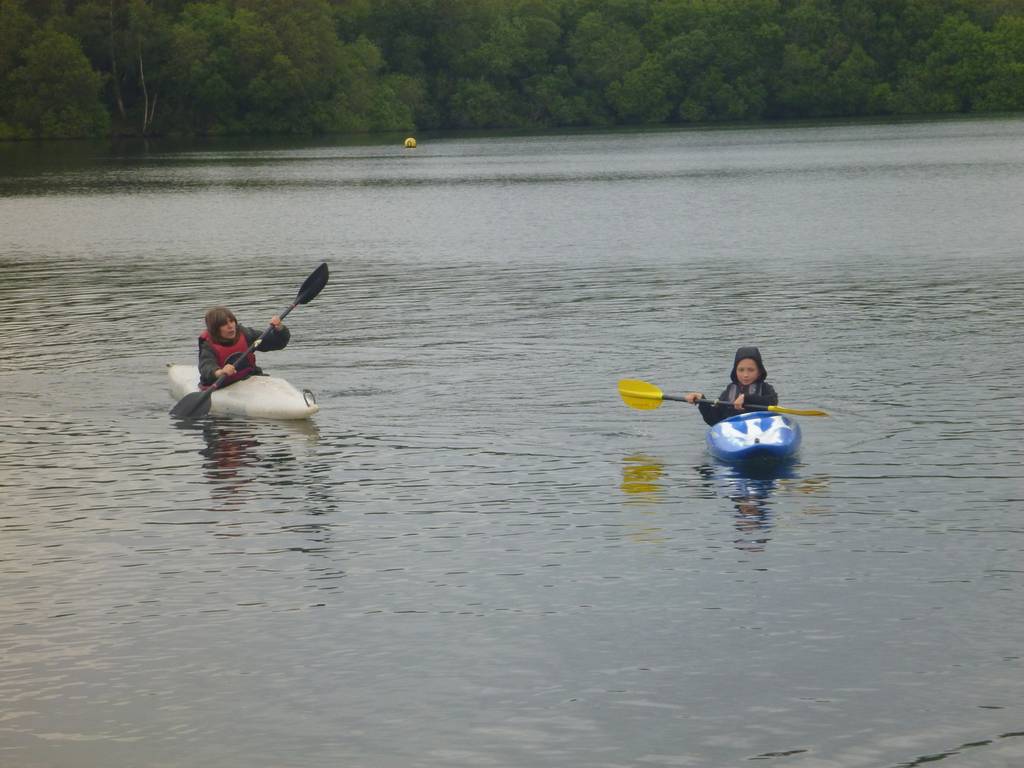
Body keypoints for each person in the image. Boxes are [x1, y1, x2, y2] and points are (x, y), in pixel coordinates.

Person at [683, 346, 779, 426]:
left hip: (762, 430)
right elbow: (714, 420)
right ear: (735, 371)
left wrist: (746, 398)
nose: (745, 375)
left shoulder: (766, 389)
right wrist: (702, 401)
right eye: (741, 370)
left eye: (751, 370)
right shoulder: (729, 392)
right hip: (735, 433)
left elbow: (771, 402)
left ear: (759, 372)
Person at [198, 306, 290, 388]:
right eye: (224, 324)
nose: (230, 326)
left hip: (247, 378)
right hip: (221, 385)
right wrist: (220, 372)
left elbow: (278, 343)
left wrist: (280, 329)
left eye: (231, 321)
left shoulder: (245, 334)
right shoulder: (208, 345)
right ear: (215, 329)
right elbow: (206, 365)